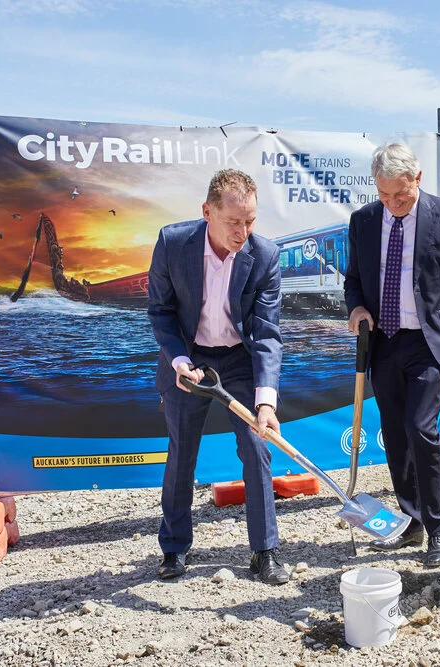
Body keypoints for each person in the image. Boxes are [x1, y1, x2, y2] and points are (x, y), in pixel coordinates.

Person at [344, 142, 440, 567]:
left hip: (428, 341)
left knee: (421, 430)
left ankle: (439, 532)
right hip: (383, 342)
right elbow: (352, 280)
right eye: (384, 196)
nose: (392, 204)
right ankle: (411, 521)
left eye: (400, 196)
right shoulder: (365, 220)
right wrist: (357, 308)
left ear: (417, 179)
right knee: (396, 436)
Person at [148, 169, 288, 584]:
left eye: (250, 221)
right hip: (187, 359)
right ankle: (174, 548)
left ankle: (265, 551)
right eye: (233, 222)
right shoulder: (174, 244)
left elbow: (267, 333)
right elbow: (161, 311)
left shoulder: (264, 256)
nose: (242, 231)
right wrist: (177, 361)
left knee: (256, 447)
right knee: (182, 452)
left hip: (239, 361)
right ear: (207, 212)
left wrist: (265, 401)